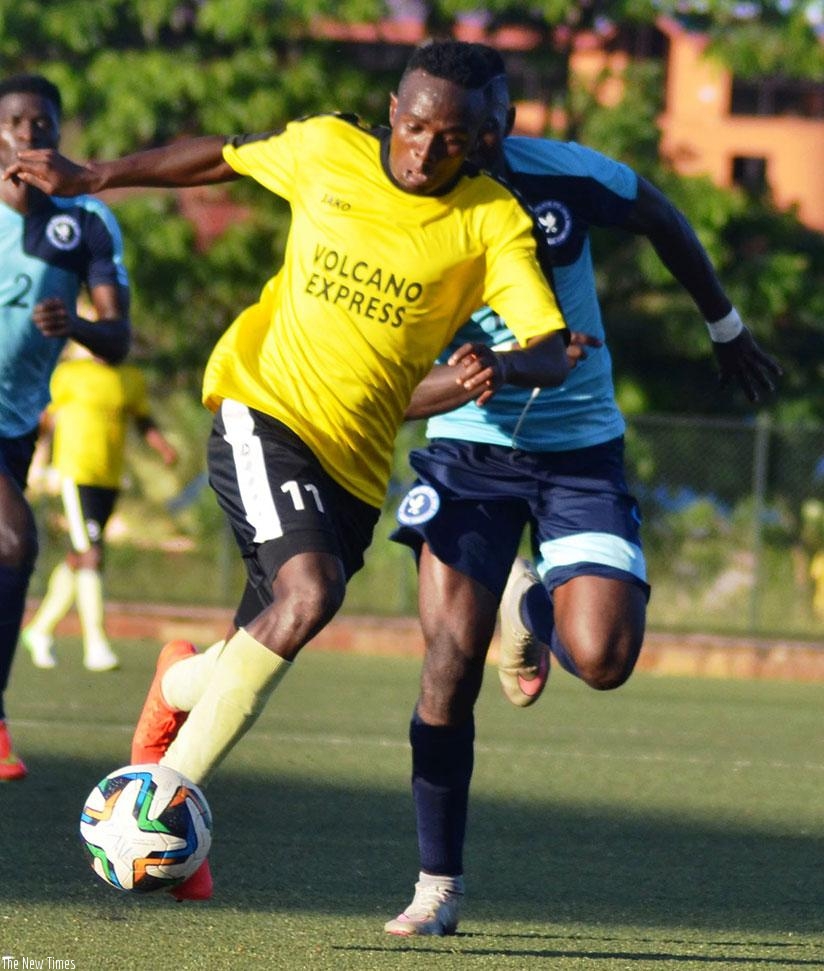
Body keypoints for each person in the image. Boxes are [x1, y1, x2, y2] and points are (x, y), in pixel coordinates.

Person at [4, 41, 576, 897]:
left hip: (355, 467)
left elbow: (549, 346)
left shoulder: (492, 220)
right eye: (415, 127)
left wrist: (507, 363)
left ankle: (175, 683)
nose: (425, 151)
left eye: (452, 139)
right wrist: (98, 175)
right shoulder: (327, 149)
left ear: (486, 137)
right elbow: (221, 157)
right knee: (311, 594)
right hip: (262, 410)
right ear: (393, 111)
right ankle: (159, 800)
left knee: (266, 637)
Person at [385, 45, 782, 935]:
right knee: (449, 660)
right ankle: (437, 884)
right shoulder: (389, 198)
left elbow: (662, 215)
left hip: (578, 454)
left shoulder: (562, 175)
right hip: (465, 452)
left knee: (602, 659)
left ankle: (529, 608)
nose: (465, 146)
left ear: (502, 122)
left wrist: (725, 328)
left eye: (482, 129)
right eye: (441, 130)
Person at [0, 74, 131, 782]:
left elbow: (118, 338)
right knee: (14, 540)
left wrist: (75, 323)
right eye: (14, 122)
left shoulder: (85, 222)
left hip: (16, 426)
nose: (28, 134)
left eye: (42, 123)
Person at [22, 347, 178, 672]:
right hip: (76, 474)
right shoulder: (69, 374)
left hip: (109, 478)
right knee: (92, 554)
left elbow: (142, 419)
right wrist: (33, 458)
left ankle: (40, 629)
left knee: (79, 557)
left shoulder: (130, 378)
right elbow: (46, 419)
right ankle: (96, 644)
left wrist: (162, 446)